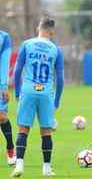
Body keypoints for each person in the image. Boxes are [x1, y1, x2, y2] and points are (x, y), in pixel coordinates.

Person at [11, 17, 64, 177]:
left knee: (23, 129)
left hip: (28, 91)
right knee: (46, 131)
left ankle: (19, 165)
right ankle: (47, 169)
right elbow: (60, 78)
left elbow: (17, 70)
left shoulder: (27, 44)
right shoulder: (56, 49)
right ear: (52, 31)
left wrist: (18, 92)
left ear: (38, 28)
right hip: (46, 93)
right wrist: (57, 100)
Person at [0, 30, 16, 165]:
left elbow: (4, 63)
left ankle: (10, 148)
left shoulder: (4, 37)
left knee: (2, 117)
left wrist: (3, 86)